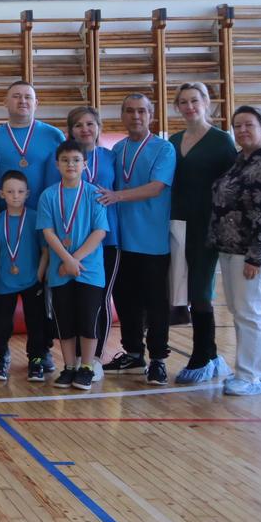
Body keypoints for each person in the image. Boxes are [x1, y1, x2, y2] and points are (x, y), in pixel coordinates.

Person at [208, 106, 261, 397]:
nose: (242, 130)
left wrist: (255, 257)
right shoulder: (242, 160)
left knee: (248, 312)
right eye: (237, 126)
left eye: (248, 125)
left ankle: (250, 377)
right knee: (242, 311)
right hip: (232, 248)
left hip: (252, 253)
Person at [98, 94, 176, 386]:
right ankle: (133, 353)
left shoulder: (163, 149)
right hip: (121, 240)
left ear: (151, 115)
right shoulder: (117, 149)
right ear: (122, 115)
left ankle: (158, 360)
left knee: (155, 303)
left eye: (142, 111)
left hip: (152, 241)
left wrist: (117, 196)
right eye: (129, 111)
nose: (136, 116)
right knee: (125, 299)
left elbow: (156, 187)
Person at [168, 83, 237, 384]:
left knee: (200, 290)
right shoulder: (173, 141)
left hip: (207, 227)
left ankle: (201, 356)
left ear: (206, 102)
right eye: (183, 102)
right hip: (176, 224)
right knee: (179, 289)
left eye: (194, 100)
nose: (189, 107)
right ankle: (212, 356)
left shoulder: (221, 141)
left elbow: (232, 187)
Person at [42, 106, 118, 381]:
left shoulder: (97, 188)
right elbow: (48, 231)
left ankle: (89, 365)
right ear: (57, 164)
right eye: (65, 161)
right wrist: (66, 259)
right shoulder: (50, 195)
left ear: (84, 164)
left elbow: (100, 231)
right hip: (61, 263)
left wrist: (75, 260)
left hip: (91, 261)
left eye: (76, 160)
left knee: (89, 316)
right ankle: (70, 366)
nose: (71, 165)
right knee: (65, 319)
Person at [0, 171, 50, 382]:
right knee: (2, 324)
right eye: (10, 191)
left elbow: (45, 250)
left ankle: (36, 360)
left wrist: (39, 275)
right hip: (4, 281)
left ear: (28, 194)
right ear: (1, 194)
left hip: (32, 280)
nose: (15, 196)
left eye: (20, 192)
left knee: (36, 323)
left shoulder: (35, 217)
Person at [0, 81, 65, 207]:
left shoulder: (54, 135)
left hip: (46, 211)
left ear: (36, 103)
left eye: (28, 97)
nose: (22, 101)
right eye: (16, 96)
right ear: (5, 102)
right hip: (4, 213)